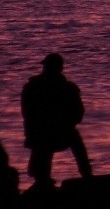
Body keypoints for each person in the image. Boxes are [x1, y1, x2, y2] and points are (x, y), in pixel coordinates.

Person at [20, 53, 92, 189]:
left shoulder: (33, 87)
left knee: (63, 139)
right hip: (47, 133)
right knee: (72, 140)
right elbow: (78, 113)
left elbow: (27, 114)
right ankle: (86, 174)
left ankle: (43, 178)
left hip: (46, 133)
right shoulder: (66, 88)